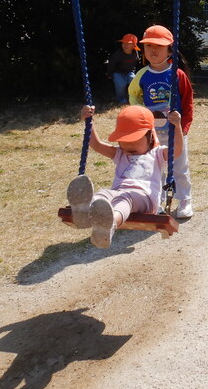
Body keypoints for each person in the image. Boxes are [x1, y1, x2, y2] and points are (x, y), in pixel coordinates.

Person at [66, 104, 183, 249]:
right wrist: (88, 120)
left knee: (125, 199)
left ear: (150, 136)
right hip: (118, 192)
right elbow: (96, 145)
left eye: (134, 140)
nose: (128, 146)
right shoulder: (120, 154)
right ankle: (84, 211)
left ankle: (109, 225)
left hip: (145, 198)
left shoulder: (157, 154)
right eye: (123, 141)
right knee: (104, 194)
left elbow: (176, 151)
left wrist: (177, 126)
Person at [127, 24, 195, 220]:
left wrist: (184, 126)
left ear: (169, 50)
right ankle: (158, 199)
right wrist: (142, 114)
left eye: (159, 46)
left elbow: (187, 102)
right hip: (154, 133)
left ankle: (184, 200)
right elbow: (133, 95)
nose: (153, 51)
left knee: (180, 166)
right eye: (148, 46)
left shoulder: (177, 75)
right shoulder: (141, 75)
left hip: (176, 131)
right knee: (156, 168)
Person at [107, 34, 140, 105]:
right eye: (124, 43)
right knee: (120, 83)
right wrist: (110, 74)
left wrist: (133, 72)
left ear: (134, 46)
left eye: (128, 44)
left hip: (129, 72)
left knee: (134, 80)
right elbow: (111, 64)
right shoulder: (118, 54)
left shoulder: (135, 53)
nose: (125, 45)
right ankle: (121, 99)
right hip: (118, 72)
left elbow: (136, 64)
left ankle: (133, 97)